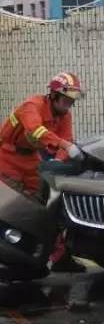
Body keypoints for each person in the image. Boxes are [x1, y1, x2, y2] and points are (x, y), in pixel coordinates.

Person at [0, 72, 85, 272]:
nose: (68, 105)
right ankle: (12, 253)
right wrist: (63, 144)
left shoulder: (64, 115)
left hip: (30, 159)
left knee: (43, 207)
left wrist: (62, 158)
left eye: (71, 102)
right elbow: (35, 130)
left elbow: (68, 140)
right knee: (12, 207)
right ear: (54, 95)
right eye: (66, 100)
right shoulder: (33, 105)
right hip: (6, 156)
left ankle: (57, 257)